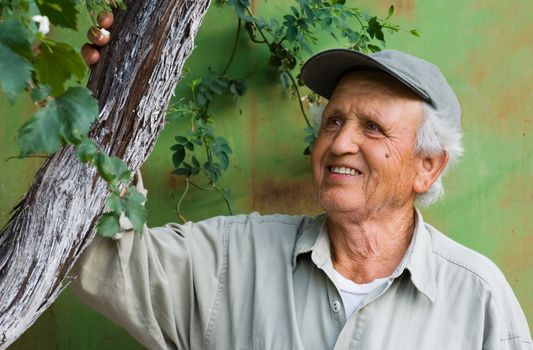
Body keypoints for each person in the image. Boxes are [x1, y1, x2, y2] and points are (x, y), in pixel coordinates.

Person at [73, 16, 532, 350]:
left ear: (427, 166)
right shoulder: (234, 258)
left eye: (372, 127)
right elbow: (92, 256)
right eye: (333, 121)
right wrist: (108, 101)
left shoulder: (479, 299)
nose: (339, 143)